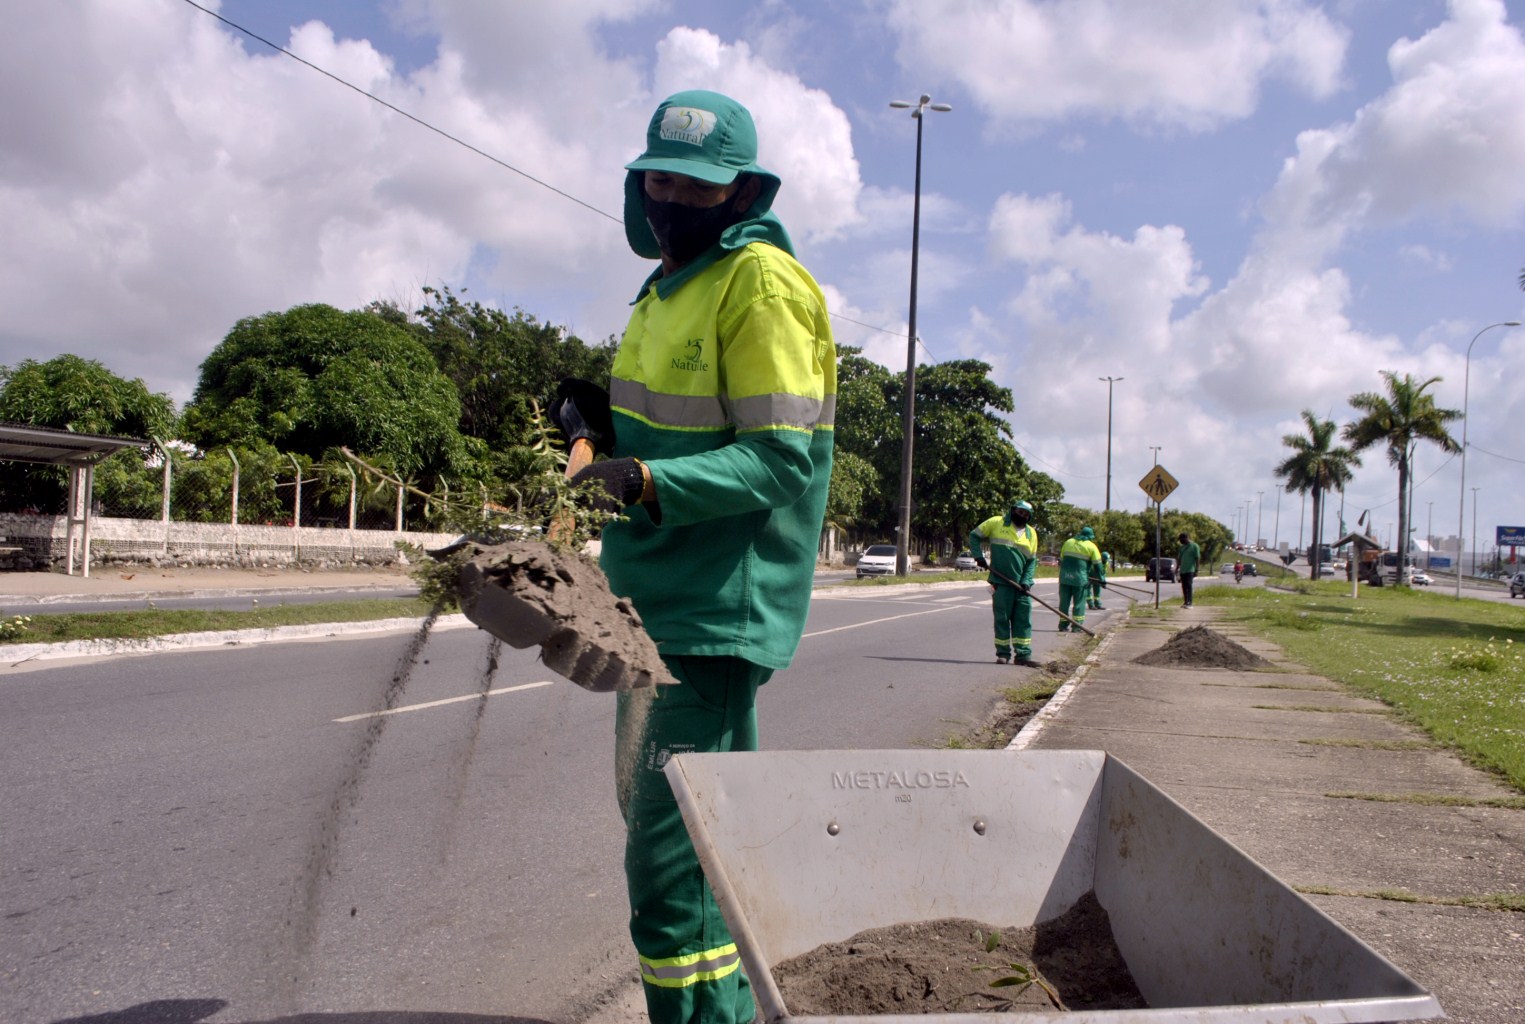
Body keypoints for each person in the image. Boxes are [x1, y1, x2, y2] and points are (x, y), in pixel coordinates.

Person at [551, 90, 836, 1024]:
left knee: (676, 872)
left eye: (695, 184)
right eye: (659, 178)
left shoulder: (759, 282)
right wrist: (597, 426)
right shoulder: (665, 288)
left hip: (712, 608)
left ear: (743, 192)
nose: (672, 196)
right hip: (650, 600)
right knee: (671, 840)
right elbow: (664, 425)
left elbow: (780, 455)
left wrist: (641, 484)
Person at [967, 499, 1040, 665]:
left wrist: (1026, 581)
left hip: (1021, 586)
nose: (1023, 516)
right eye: (1020, 512)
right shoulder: (996, 522)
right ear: (1013, 510)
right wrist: (979, 556)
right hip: (1001, 582)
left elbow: (1031, 561)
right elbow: (974, 535)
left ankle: (1022, 655)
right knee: (1002, 619)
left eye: (1026, 514)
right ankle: (1003, 654)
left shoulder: (1031, 534)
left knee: (1023, 619)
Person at [1057, 526, 1104, 632]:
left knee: (1064, 603)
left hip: (1064, 578)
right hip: (1079, 580)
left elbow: (1062, 558)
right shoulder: (1091, 546)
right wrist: (1102, 579)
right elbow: (1098, 566)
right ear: (1090, 537)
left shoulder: (1068, 542)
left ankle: (1063, 625)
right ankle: (1077, 627)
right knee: (1079, 603)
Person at [1177, 532, 1201, 607]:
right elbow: (1179, 558)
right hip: (1183, 570)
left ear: (1186, 538)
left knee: (1189, 585)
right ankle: (1185, 601)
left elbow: (1197, 558)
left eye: (1181, 539)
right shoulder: (1182, 547)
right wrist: (1177, 568)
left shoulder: (1194, 546)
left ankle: (1189, 602)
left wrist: (1197, 569)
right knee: (1183, 586)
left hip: (1190, 569)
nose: (1180, 541)